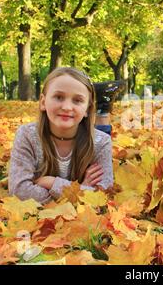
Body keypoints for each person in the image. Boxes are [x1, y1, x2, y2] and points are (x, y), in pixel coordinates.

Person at [9, 67, 114, 204]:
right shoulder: (27, 135)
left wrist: (52, 183)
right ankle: (103, 109)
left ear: (88, 109)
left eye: (77, 100)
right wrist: (81, 191)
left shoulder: (102, 142)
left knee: (101, 131)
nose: (66, 107)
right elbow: (19, 191)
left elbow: (103, 195)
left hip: (91, 134)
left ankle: (103, 110)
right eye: (59, 97)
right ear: (42, 102)